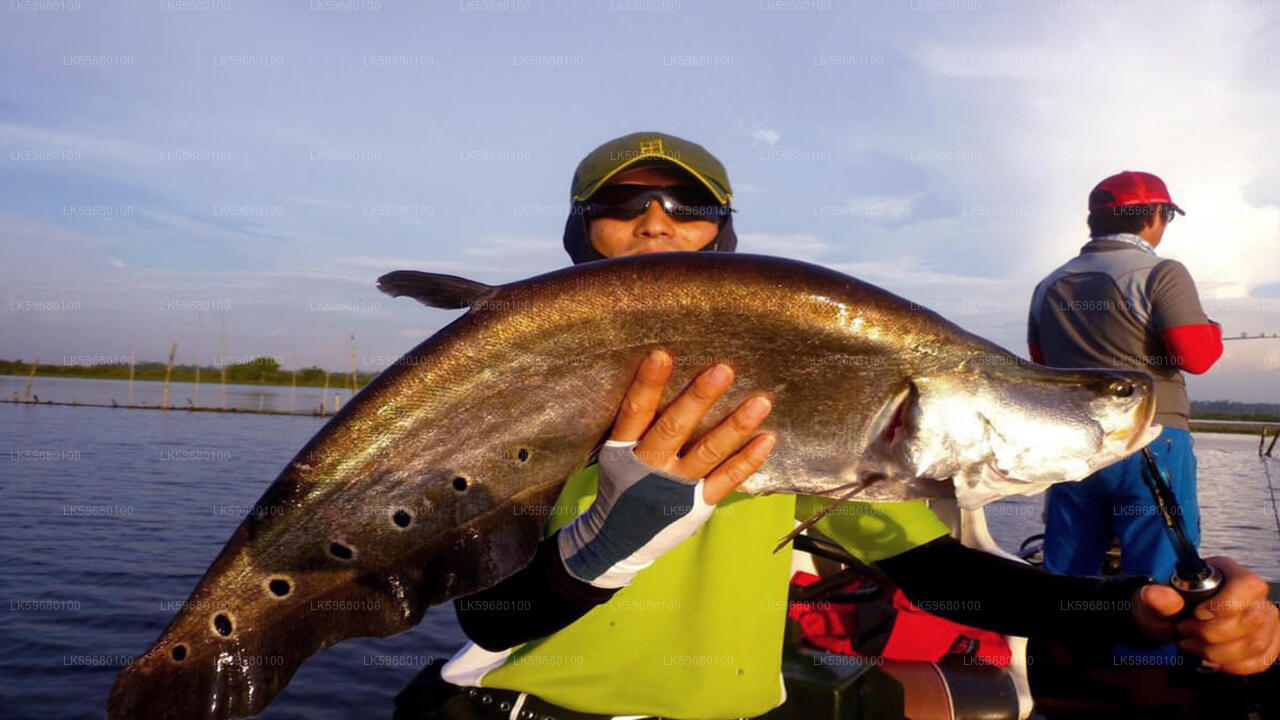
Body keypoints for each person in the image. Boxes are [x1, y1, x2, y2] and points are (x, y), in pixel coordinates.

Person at [399, 136, 1277, 720]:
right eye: (621, 206)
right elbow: (488, 618)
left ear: (726, 240)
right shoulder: (525, 411)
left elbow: (947, 581)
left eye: (687, 207)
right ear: (579, 237)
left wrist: (1136, 610)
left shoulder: (801, 414)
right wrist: (594, 550)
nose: (656, 220)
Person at [1028, 171, 1223, 584]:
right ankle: (1144, 651)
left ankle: (1060, 646)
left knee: (1065, 576)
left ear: (1094, 222)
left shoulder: (1048, 285)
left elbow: (1041, 365)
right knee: (1161, 578)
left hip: (1074, 447)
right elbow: (1197, 357)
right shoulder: (1161, 273)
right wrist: (1212, 329)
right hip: (1151, 440)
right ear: (1155, 215)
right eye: (1166, 217)